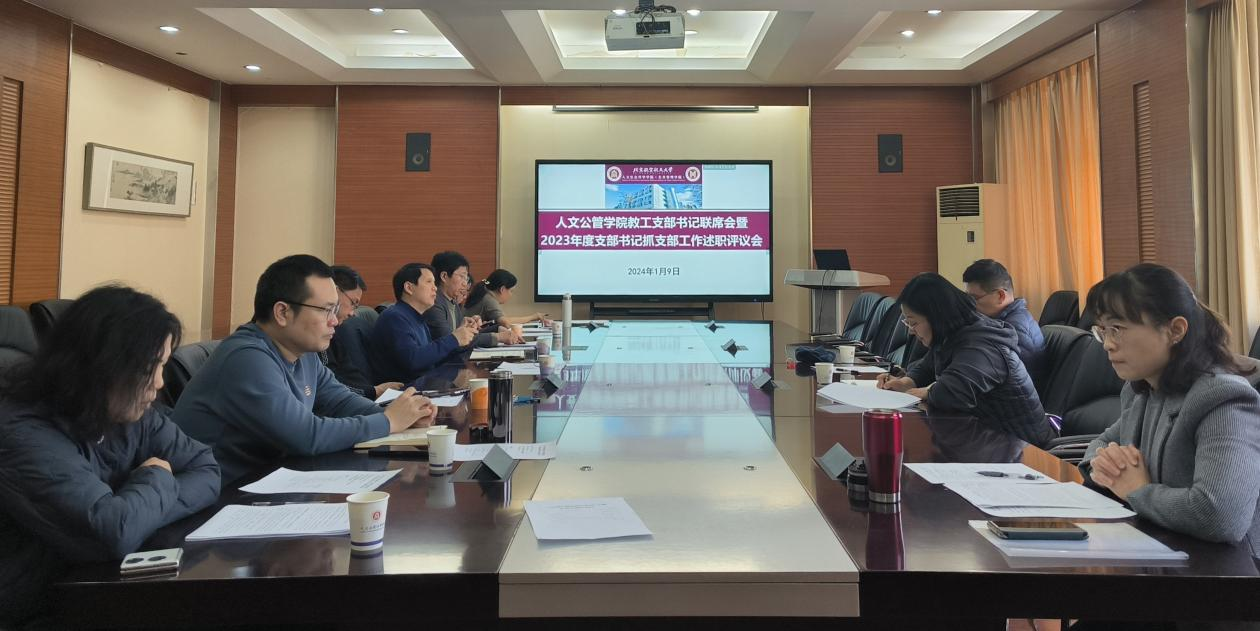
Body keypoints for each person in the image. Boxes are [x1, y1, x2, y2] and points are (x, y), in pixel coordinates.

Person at [0, 286, 220, 627]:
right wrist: (156, 477)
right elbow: (114, 530)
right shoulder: (22, 430)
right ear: (102, 365)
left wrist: (139, 510)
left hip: (98, 591)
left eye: (162, 366)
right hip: (36, 609)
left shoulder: (131, 411)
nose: (160, 383)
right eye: (149, 368)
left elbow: (205, 468)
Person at [173, 255, 435, 485]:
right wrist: (388, 422)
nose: (335, 320)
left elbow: (339, 401)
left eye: (335, 309)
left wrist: (404, 416)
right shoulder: (247, 358)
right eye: (326, 310)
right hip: (219, 496)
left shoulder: (303, 353)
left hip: (270, 480)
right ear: (282, 312)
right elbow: (307, 435)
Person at [1079, 264, 1260, 553]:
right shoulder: (1142, 388)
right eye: (1103, 330)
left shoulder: (1223, 398)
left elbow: (1221, 516)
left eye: (1118, 329)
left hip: (1225, 570)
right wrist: (1111, 467)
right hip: (1161, 550)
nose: (1108, 345)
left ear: (1175, 330)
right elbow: (1100, 446)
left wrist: (1138, 491)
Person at [877, 272, 1056, 447]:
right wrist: (906, 382)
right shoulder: (952, 333)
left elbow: (954, 393)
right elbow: (928, 365)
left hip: (1022, 448)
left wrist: (926, 392)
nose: (910, 331)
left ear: (936, 317)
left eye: (913, 322)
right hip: (984, 440)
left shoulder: (983, 343)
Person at [370, 262, 478, 385]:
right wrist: (454, 339)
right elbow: (413, 360)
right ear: (409, 288)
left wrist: (463, 336)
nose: (435, 288)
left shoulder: (416, 316)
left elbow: (431, 356)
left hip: (422, 384)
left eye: (434, 283)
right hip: (404, 390)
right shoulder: (394, 317)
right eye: (429, 282)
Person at [322, 265, 402, 400]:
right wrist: (373, 392)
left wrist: (372, 393)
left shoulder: (334, 330)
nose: (353, 313)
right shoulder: (325, 332)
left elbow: (349, 371)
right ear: (335, 291)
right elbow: (328, 386)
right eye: (353, 303)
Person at [961, 258, 1045, 380]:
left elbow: (1016, 380)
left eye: (974, 299)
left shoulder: (1015, 329)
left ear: (1000, 296)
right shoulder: (1001, 321)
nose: (970, 305)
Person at [424, 251, 521, 348]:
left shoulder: (452, 302)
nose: (465, 283)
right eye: (462, 276)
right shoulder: (434, 304)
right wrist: (498, 337)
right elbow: (453, 340)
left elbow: (463, 335)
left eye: (466, 278)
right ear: (444, 276)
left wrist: (497, 329)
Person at [464, 269, 551, 329]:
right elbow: (506, 322)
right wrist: (533, 317)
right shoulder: (489, 300)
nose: (511, 295)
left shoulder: (484, 292)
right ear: (502, 289)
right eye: (511, 291)